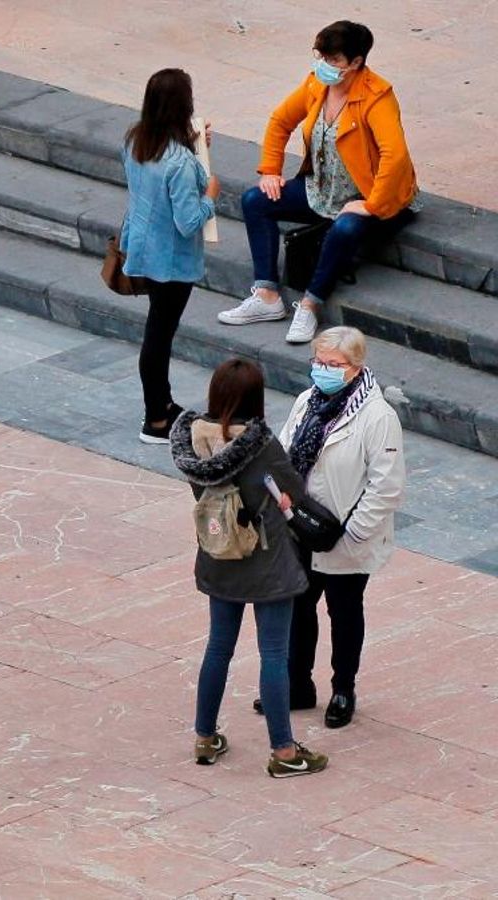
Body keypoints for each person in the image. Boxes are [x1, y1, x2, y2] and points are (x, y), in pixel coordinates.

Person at [171, 358, 328, 778]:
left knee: (218, 648)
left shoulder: (193, 440)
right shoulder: (261, 446)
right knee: (274, 653)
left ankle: (205, 738)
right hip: (267, 562)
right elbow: (294, 492)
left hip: (219, 554)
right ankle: (283, 751)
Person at [217, 20, 419, 344]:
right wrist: (270, 170)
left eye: (334, 60)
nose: (325, 65)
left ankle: (310, 304)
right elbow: (280, 120)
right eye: (322, 57)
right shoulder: (316, 84)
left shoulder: (377, 96)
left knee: (346, 228)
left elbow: (394, 156)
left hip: (364, 195)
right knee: (255, 200)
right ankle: (267, 295)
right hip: (322, 189)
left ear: (356, 63)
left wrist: (372, 204)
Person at [274, 327, 404, 728]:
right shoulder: (305, 402)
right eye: (319, 362)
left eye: (333, 365)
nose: (323, 370)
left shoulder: (378, 417)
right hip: (301, 529)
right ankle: (298, 686)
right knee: (298, 607)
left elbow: (386, 486)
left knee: (344, 614)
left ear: (356, 367)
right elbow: (284, 452)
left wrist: (352, 533)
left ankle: (343, 689)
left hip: (346, 540)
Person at [119, 68, 219, 444]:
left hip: (142, 247)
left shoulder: (135, 140)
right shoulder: (178, 162)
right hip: (172, 260)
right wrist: (210, 195)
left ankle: (162, 404)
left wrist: (194, 145)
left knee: (157, 330)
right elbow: (188, 220)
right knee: (159, 335)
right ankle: (156, 418)